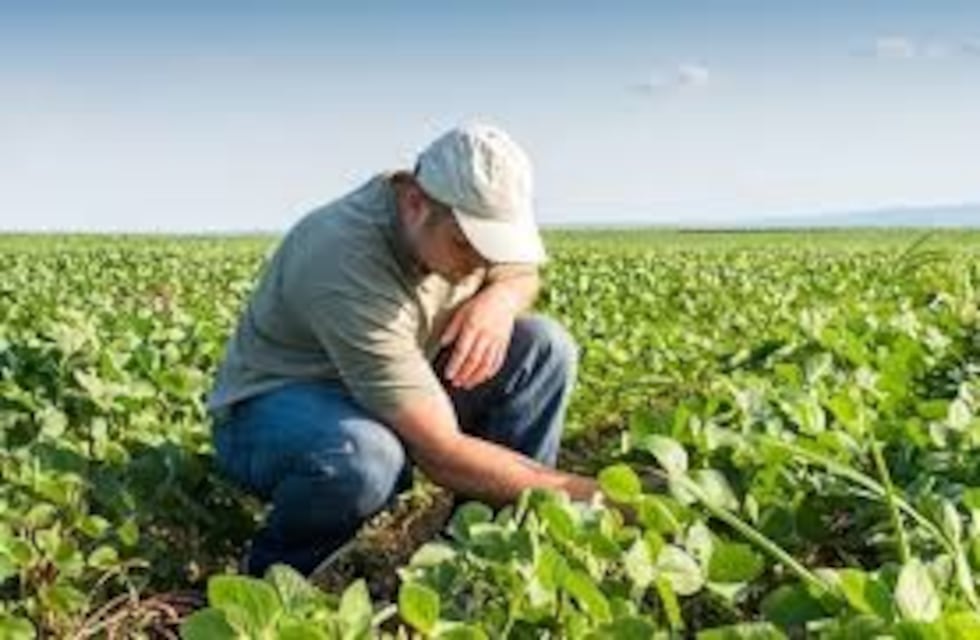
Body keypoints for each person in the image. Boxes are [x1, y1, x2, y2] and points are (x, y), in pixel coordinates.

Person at [207, 123, 599, 577]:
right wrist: (596, 499)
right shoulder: (342, 257)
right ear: (414, 202)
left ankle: (480, 558)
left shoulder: (458, 218)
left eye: (494, 248)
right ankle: (275, 580)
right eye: (467, 245)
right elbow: (441, 452)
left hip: (396, 384)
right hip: (280, 409)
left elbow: (521, 271)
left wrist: (500, 299)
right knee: (365, 456)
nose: (482, 263)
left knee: (544, 347)